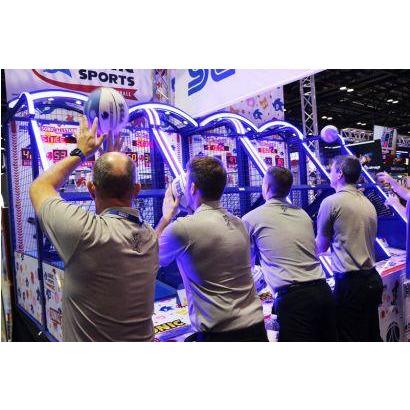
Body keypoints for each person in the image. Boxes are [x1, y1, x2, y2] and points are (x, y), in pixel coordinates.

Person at [29, 116, 159, 342]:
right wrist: (111, 162)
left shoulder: (84, 232)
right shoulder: (149, 236)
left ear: (91, 189)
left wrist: (81, 152)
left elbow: (40, 186)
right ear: (136, 189)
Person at [156, 156, 267, 342]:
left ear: (192, 188)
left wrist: (166, 217)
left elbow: (149, 256)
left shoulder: (183, 228)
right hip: (255, 328)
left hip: (220, 335)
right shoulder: (239, 224)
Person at [242, 166, 337, 342]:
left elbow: (246, 265)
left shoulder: (250, 219)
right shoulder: (303, 215)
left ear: (266, 187)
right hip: (323, 293)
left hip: (295, 301)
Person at [316, 155, 383, 342]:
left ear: (339, 173)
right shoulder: (367, 203)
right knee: (370, 336)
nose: (329, 174)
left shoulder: (331, 202)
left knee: (348, 338)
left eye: (331, 170)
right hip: (371, 279)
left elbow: (320, 246)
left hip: (351, 284)